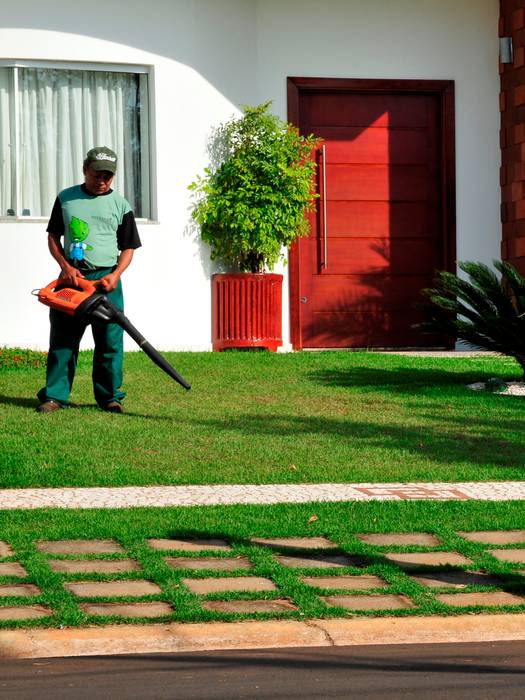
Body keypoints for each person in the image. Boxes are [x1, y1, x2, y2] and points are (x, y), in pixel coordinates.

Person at [36, 147, 142, 414]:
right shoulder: (66, 199)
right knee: (63, 340)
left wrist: (116, 275)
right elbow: (53, 236)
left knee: (110, 341)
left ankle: (110, 397)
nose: (102, 180)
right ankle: (55, 397)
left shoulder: (121, 205)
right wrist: (65, 267)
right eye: (97, 173)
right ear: (85, 170)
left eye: (108, 175)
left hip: (106, 281)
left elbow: (128, 247)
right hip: (72, 280)